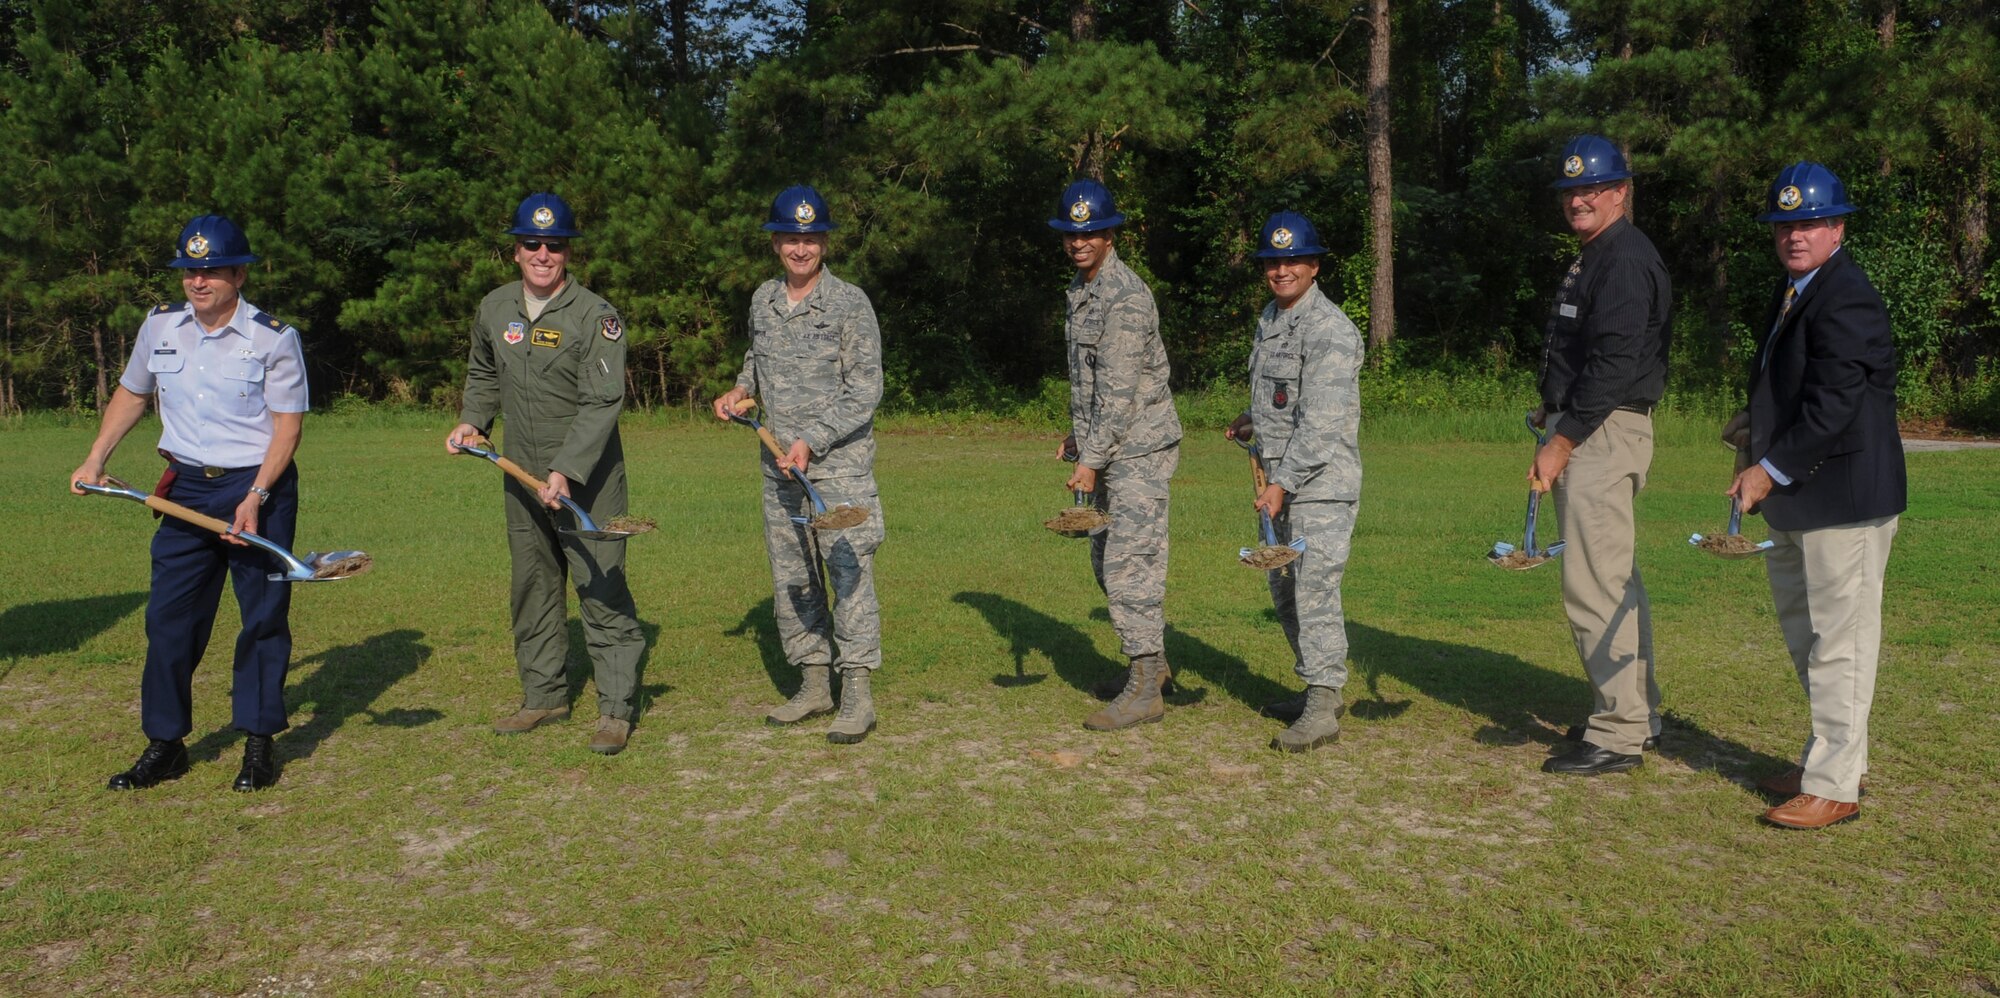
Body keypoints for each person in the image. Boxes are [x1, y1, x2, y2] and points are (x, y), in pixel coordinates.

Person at [70, 214, 309, 792]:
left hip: (257, 486)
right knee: (169, 620)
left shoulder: (273, 337)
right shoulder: (160, 327)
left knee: (261, 619)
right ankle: (166, 744)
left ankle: (257, 743)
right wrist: (95, 456)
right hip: (183, 490)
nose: (198, 282)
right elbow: (132, 392)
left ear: (239, 273)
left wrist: (254, 497)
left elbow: (287, 427)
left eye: (211, 271)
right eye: (189, 272)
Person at [1727, 162, 1905, 829]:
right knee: (1810, 639)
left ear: (1837, 226)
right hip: (1807, 497)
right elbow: (1800, 388)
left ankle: (1834, 785)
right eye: (1784, 225)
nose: (1794, 235)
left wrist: (1767, 468)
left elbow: (1836, 403)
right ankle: (1832, 759)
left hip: (1845, 498)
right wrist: (1756, 428)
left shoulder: (1845, 293)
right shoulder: (1799, 288)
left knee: (1841, 643)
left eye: (1809, 223)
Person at [446, 192, 645, 755]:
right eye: (531, 243)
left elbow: (602, 402)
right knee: (533, 587)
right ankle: (544, 696)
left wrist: (565, 469)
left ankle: (614, 710)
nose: (542, 253)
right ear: (515, 250)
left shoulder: (596, 317)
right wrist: (472, 422)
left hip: (589, 479)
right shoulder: (495, 308)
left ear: (566, 251)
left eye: (554, 244)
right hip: (520, 474)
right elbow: (483, 372)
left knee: (599, 586)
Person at [711, 185, 886, 745]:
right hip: (779, 468)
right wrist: (739, 393)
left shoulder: (850, 303)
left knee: (848, 575)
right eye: (790, 237)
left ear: (825, 242)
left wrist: (813, 439)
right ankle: (813, 683)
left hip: (838, 469)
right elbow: (754, 364)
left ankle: (857, 693)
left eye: (810, 238)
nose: (800, 248)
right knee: (794, 578)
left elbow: (866, 389)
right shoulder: (763, 300)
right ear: (775, 243)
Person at [1531, 135, 1673, 777]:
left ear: (1621, 192)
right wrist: (1553, 406)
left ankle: (1617, 733)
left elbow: (1616, 363)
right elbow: (1589, 351)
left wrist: (1563, 439)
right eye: (1570, 190)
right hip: (1593, 424)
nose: (1579, 199)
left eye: (1592, 188)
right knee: (1614, 580)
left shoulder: (1622, 258)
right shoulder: (1601, 253)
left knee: (1593, 585)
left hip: (1600, 435)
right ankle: (1636, 713)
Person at [1223, 212, 1363, 752]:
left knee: (1314, 588)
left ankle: (1325, 702)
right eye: (1272, 262)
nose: (1281, 270)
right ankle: (1313, 684)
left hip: (1319, 484)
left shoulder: (1330, 329)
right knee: (1283, 590)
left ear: (1313, 265)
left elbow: (1322, 422)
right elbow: (1286, 399)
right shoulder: (1272, 318)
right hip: (1277, 481)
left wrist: (1282, 481)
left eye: (1292, 261)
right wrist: (1251, 419)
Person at [1047, 179, 1184, 731]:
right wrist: (1081, 438)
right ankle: (1154, 667)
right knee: (1107, 561)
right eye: (1071, 234)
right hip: (1109, 447)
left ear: (1109, 234)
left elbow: (1122, 390)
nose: (1080, 242)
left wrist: (1092, 456)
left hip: (1139, 449)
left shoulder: (1125, 297)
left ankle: (1146, 687)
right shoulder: (1084, 289)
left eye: (1091, 232)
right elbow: (1095, 383)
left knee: (1131, 565)